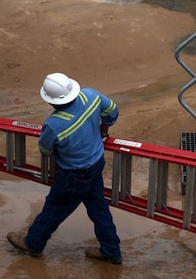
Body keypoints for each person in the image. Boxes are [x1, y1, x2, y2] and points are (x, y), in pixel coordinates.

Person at [7, 72, 123, 264]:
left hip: (73, 176)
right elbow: (112, 110)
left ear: (52, 102)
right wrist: (104, 128)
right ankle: (111, 251)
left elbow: (46, 150)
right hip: (96, 165)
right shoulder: (91, 96)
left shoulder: (54, 124)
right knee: (99, 210)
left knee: (54, 209)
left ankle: (33, 244)